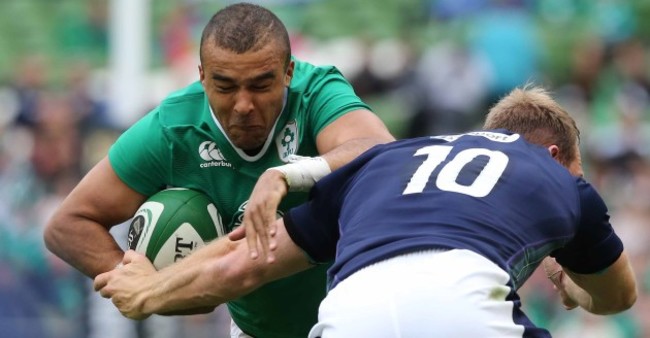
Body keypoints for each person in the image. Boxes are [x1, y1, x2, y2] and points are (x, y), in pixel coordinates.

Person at [94, 86, 637, 337]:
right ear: (553, 155)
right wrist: (573, 288)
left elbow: (248, 260)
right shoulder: (556, 178)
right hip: (465, 312)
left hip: (346, 317)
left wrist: (151, 290)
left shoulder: (386, 162)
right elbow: (618, 297)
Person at [44, 3, 395, 338]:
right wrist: (142, 283)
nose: (243, 105)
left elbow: (378, 149)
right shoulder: (172, 129)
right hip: (256, 331)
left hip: (354, 322)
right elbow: (68, 225)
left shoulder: (316, 92)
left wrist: (287, 175)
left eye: (260, 85)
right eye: (225, 86)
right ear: (201, 76)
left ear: (288, 72)